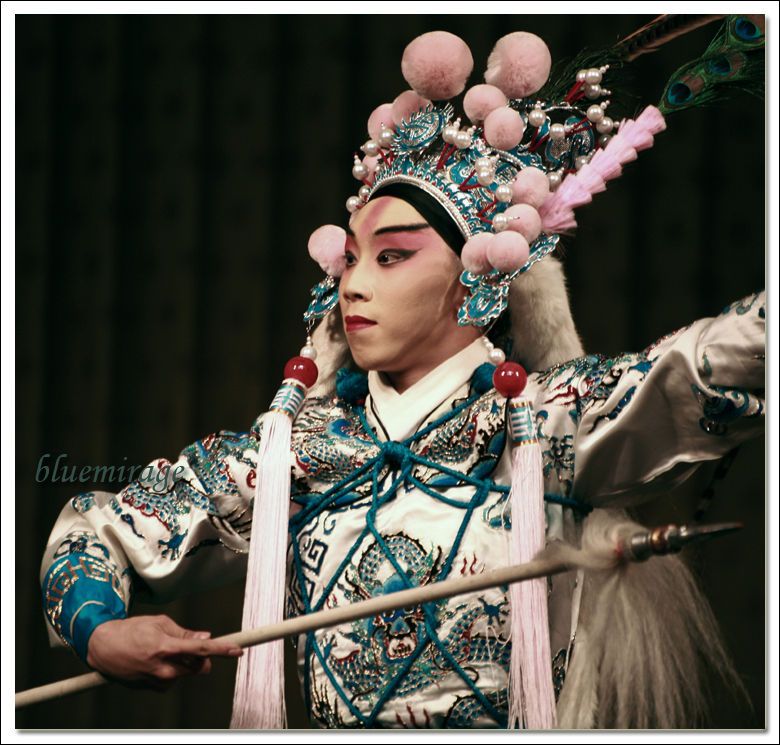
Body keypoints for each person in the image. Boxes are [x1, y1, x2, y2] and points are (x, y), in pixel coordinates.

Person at [38, 22, 766, 729]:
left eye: (392, 257)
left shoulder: (549, 422)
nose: (353, 284)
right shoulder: (296, 451)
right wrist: (100, 630)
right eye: (352, 259)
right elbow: (98, 531)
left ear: (475, 276)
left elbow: (720, 354)